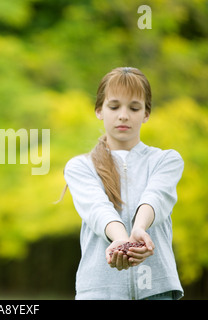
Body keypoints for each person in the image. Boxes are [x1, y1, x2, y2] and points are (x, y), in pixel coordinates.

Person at [60, 67, 184, 300]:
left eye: (134, 108)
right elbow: (98, 209)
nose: (123, 115)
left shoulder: (167, 160)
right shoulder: (80, 166)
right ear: (99, 110)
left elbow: (156, 198)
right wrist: (120, 240)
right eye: (114, 106)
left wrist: (139, 229)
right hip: (99, 292)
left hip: (156, 291)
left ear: (146, 114)